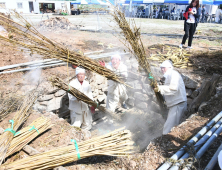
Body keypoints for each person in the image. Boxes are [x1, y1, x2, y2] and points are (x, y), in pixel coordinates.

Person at [154, 60, 187, 135]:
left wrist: (160, 88)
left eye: (164, 68)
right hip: (175, 104)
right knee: (173, 126)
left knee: (169, 127)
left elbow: (174, 89)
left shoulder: (174, 74)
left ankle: (164, 142)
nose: (162, 69)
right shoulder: (170, 75)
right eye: (161, 68)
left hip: (178, 104)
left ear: (169, 67)